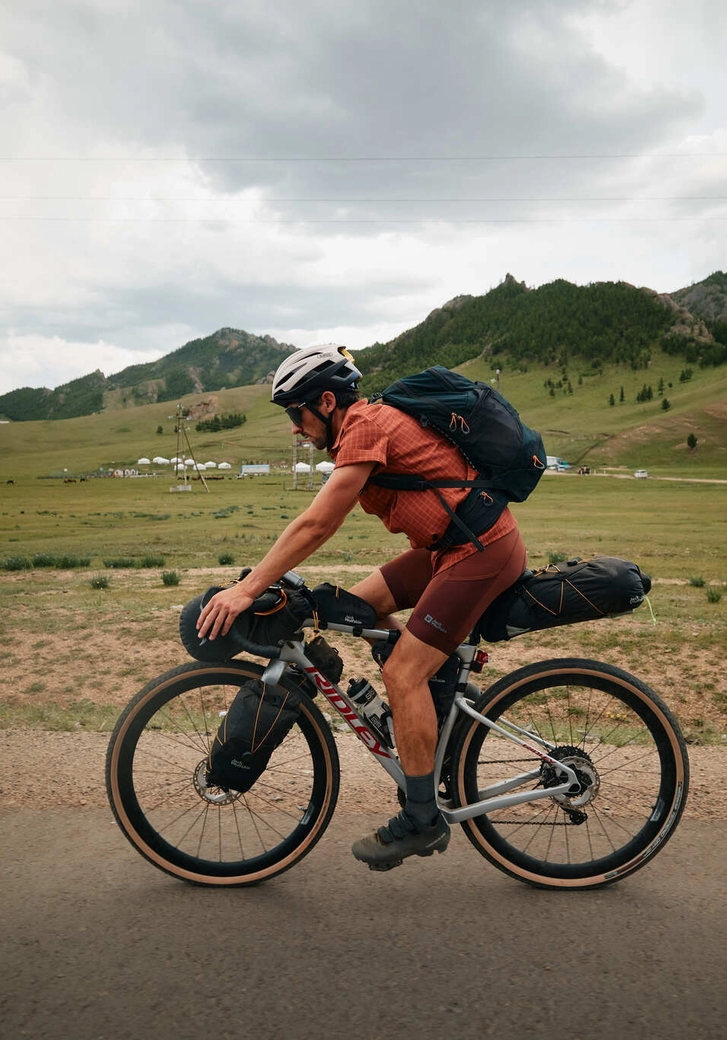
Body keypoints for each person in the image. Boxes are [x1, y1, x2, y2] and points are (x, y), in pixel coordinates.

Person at [197, 345, 527, 870]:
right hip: (448, 547)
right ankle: (439, 720)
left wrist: (248, 588)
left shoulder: (366, 426)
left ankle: (422, 819)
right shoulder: (362, 428)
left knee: (402, 673)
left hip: (478, 550)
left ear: (327, 401)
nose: (294, 428)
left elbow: (317, 523)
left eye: (295, 413)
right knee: (353, 607)